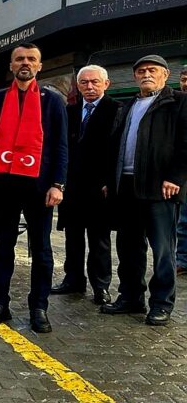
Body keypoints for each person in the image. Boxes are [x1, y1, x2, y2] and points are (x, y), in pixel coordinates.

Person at [0, 43, 67, 334]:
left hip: (39, 187)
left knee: (41, 250)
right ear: (11, 65)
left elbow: (61, 145)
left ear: (39, 66)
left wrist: (57, 184)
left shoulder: (53, 101)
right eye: (19, 59)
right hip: (4, 185)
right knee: (3, 248)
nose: (25, 63)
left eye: (31, 59)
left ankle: (38, 307)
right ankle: (0, 303)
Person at [102, 55, 187, 326]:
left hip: (160, 188)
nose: (146, 74)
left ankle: (161, 303)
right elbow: (116, 143)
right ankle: (130, 297)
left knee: (162, 249)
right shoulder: (128, 105)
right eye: (140, 71)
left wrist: (175, 177)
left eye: (152, 70)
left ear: (165, 74)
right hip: (126, 186)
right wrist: (109, 180)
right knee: (128, 247)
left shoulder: (178, 103)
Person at [52, 65, 119, 305]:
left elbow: (117, 151)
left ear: (106, 84)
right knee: (73, 236)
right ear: (77, 86)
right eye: (84, 83)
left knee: (99, 239)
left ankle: (101, 286)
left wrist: (109, 182)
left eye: (94, 82)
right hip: (72, 186)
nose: (89, 87)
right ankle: (73, 280)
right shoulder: (68, 111)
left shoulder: (116, 110)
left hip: (99, 187)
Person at [178, 67, 187, 276]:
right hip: (181, 175)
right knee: (183, 221)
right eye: (184, 79)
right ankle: (182, 260)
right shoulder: (176, 105)